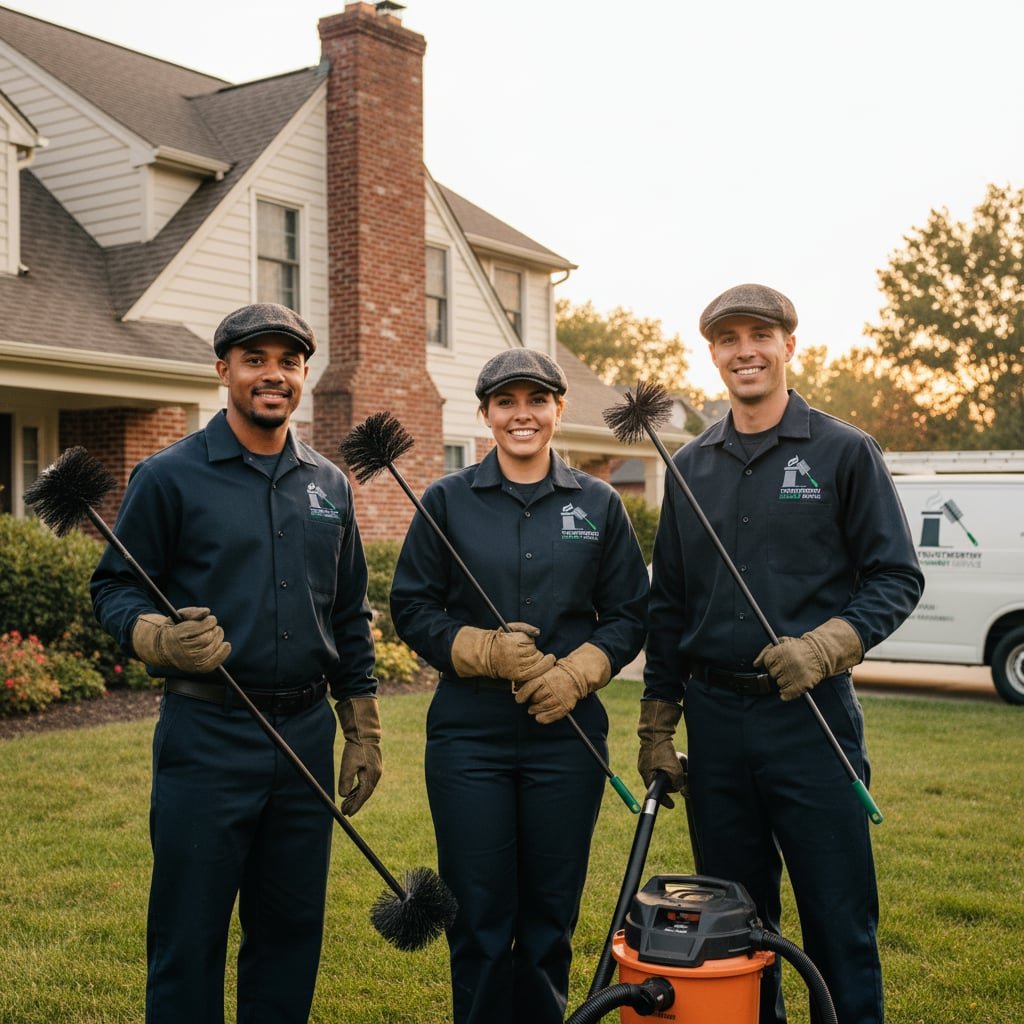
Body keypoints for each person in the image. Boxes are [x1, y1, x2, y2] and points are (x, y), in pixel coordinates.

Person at [637, 283, 924, 1024]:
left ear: (790, 345)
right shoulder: (691, 466)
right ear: (713, 354)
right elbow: (668, 605)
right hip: (717, 725)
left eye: (759, 335)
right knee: (736, 929)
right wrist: (658, 724)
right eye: (728, 339)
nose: (745, 351)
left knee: (838, 920)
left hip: (812, 721)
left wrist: (827, 648)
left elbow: (897, 577)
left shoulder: (843, 450)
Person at [90, 303, 380, 1024]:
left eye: (288, 361)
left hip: (307, 738)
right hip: (206, 736)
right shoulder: (169, 476)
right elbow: (114, 587)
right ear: (224, 370)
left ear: (304, 375)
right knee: (189, 937)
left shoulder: (330, 486)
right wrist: (158, 637)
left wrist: (363, 725)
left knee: (289, 933)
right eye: (255, 359)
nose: (272, 374)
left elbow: (348, 611)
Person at [389, 349, 648, 1024]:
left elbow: (629, 614)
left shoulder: (598, 505)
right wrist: (482, 651)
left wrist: (578, 673)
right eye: (507, 402)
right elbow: (412, 607)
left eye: (537, 400)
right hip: (468, 741)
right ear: (486, 415)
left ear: (559, 409)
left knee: (547, 920)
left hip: (567, 740)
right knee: (477, 918)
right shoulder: (446, 500)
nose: (522, 414)